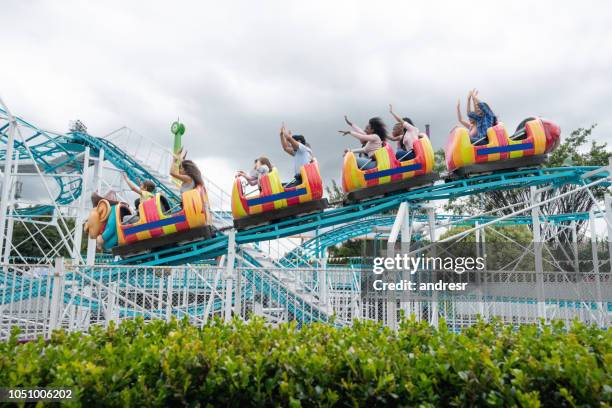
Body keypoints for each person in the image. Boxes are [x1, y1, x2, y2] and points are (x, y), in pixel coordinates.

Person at [279, 123, 313, 187]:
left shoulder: (303, 149)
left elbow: (289, 139)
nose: (291, 145)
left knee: (285, 189)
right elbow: (285, 148)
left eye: (293, 142)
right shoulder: (298, 152)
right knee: (279, 186)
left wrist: (284, 131)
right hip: (297, 178)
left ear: (299, 141)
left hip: (303, 178)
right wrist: (281, 135)